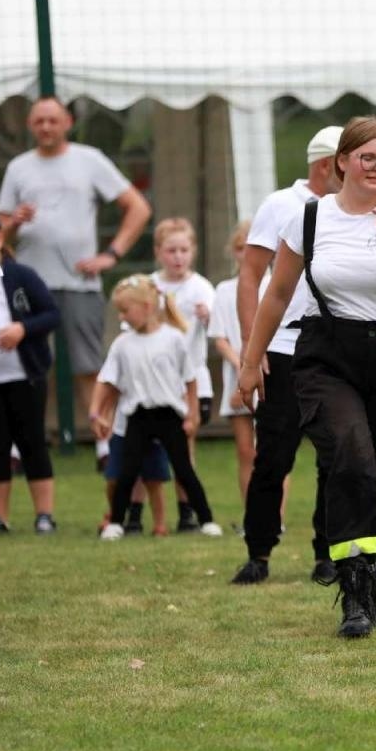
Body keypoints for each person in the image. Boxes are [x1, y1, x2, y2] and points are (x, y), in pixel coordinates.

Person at [237, 116, 376, 638]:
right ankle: (353, 593)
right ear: (343, 162)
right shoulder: (309, 219)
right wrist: (249, 360)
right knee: (352, 460)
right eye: (368, 157)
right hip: (326, 353)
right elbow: (278, 293)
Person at [0, 96, 151, 468]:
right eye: (39, 121)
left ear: (67, 122)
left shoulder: (90, 159)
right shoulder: (19, 168)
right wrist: (14, 221)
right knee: (27, 365)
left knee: (89, 365)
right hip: (30, 281)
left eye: (53, 120)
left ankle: (103, 444)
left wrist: (110, 255)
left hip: (80, 282)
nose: (46, 127)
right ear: (31, 126)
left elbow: (138, 207)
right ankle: (21, 444)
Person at [228, 126, 340, 586]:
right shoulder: (279, 205)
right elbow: (250, 276)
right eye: (350, 161)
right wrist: (253, 349)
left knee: (335, 457)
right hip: (281, 351)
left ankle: (327, 554)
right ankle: (259, 552)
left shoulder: (353, 209)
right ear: (326, 165)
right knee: (273, 456)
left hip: (334, 350)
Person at [90, 275, 221, 541]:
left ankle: (206, 520)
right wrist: (96, 412)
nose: (122, 317)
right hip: (137, 417)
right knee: (128, 472)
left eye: (126, 311)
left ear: (148, 307)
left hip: (169, 416)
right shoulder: (122, 344)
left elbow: (190, 380)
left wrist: (192, 414)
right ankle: (116, 522)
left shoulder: (174, 340)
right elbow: (106, 381)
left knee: (184, 470)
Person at [0, 209, 61, 533]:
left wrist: (21, 329)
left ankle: (45, 514)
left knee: (32, 441)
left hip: (25, 377)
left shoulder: (21, 275)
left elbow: (51, 314)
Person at [151, 217, 217, 532]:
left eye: (183, 250)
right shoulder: (150, 286)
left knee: (184, 446)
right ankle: (142, 512)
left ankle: (187, 509)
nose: (178, 257)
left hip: (192, 380)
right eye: (171, 250)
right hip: (156, 381)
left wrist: (208, 318)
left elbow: (219, 331)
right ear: (159, 252)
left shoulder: (201, 287)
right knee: (151, 447)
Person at [209, 221, 256, 510]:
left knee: (272, 452)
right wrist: (243, 369)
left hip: (270, 374)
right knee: (245, 451)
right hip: (237, 377)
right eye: (241, 248)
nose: (246, 254)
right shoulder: (225, 290)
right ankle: (253, 515)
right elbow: (221, 339)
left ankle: (275, 517)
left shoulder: (274, 283)